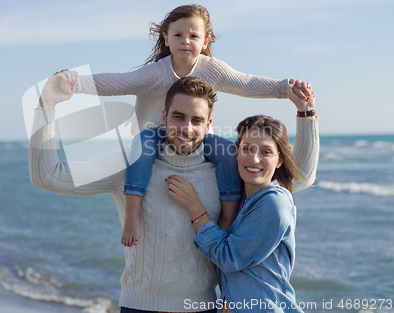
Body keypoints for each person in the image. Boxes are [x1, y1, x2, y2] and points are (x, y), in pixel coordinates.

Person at [29, 75, 318, 313]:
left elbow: (293, 177)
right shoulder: (130, 164)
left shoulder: (229, 174)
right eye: (178, 117)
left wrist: (306, 114)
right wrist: (46, 106)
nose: (186, 128)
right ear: (164, 116)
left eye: (196, 120)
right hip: (137, 307)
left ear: (209, 125)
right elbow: (49, 175)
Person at [56, 4, 313, 247]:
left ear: (205, 41)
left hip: (196, 138)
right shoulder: (155, 72)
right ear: (166, 39)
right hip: (154, 133)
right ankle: (132, 214)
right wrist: (76, 82)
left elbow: (246, 83)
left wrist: (284, 89)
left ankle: (228, 217)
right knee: (141, 145)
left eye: (193, 35)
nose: (185, 41)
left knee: (226, 151)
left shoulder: (213, 69)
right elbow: (118, 82)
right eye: (178, 34)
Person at [166, 85, 318, 313]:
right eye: (246, 148)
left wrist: (194, 206)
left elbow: (229, 257)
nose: (254, 159)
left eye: (266, 152)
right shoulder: (244, 197)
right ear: (236, 153)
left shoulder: (274, 203)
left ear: (279, 161)